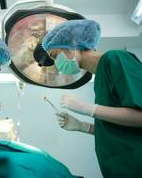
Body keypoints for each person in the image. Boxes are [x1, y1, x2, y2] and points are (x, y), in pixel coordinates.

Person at [42, 19, 142, 177]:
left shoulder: (115, 59)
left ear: (72, 45)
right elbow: (121, 131)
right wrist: (84, 127)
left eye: (55, 56)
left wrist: (89, 109)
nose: (55, 64)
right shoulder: (100, 78)